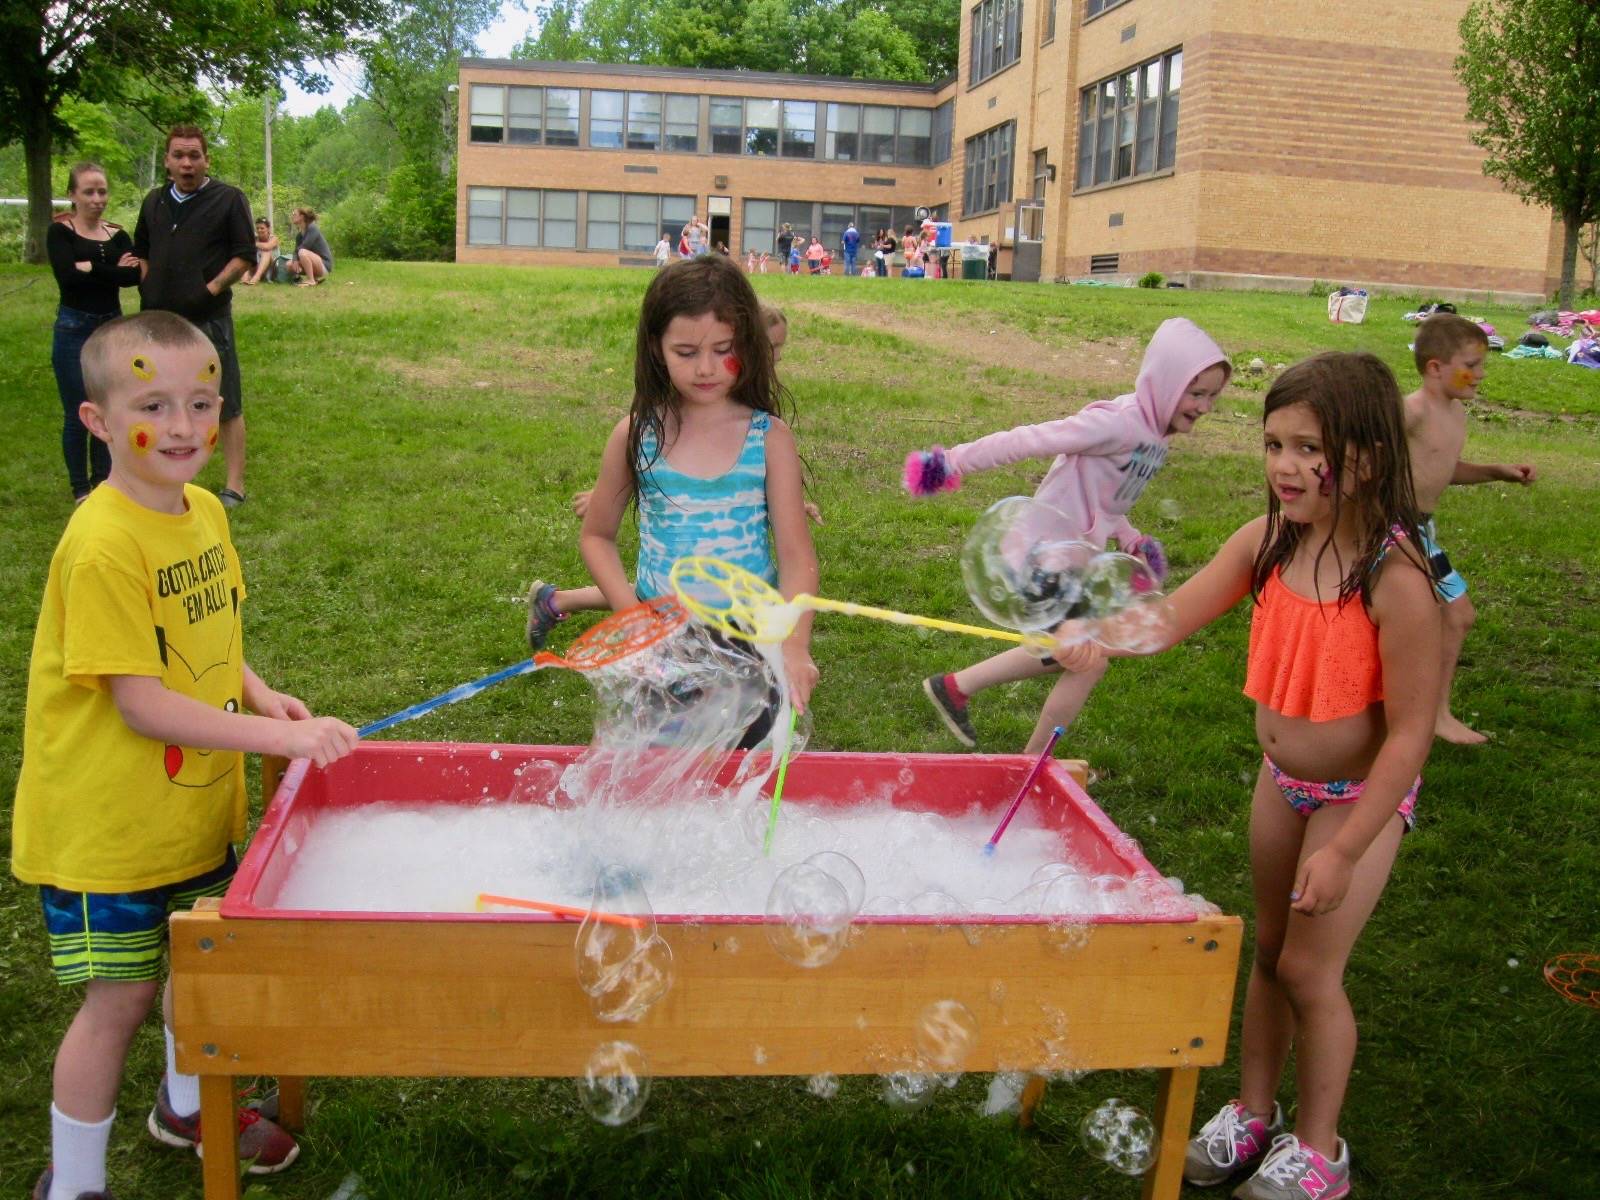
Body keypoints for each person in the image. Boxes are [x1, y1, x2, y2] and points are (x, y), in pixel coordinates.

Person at [1055, 352, 1439, 1200]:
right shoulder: (1267, 542)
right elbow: (1171, 615)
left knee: (1310, 972)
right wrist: (1097, 634)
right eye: (1273, 445)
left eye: (1309, 448)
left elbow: (1411, 736)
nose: (1285, 466)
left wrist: (1345, 853)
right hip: (1283, 781)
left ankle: (1319, 1149)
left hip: (1359, 797)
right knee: (1268, 953)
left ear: (1368, 456)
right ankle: (1253, 1115)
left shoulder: (1396, 578)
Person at [12, 312, 360, 1200]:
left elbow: (208, 634)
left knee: (198, 970)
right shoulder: (102, 544)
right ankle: (75, 1182)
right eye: (153, 404)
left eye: (200, 403)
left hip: (196, 810)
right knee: (119, 1003)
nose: (180, 427)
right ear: (97, 423)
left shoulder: (203, 510)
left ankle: (181, 1107)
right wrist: (284, 739)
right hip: (110, 832)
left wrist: (257, 689)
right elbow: (141, 702)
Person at [913, 318, 1230, 753]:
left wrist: (1132, 539)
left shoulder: (1155, 438)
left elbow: (1107, 502)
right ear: (1167, 381)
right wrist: (952, 462)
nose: (1206, 406)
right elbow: (1033, 439)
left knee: (1072, 651)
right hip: (1043, 556)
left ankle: (957, 688)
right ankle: (1033, 762)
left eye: (1213, 396)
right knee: (1087, 661)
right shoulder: (1117, 424)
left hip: (1073, 560)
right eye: (1197, 393)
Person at [532, 303, 807, 641]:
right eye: (686, 352)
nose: (705, 368)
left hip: (752, 636)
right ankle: (557, 601)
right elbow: (597, 535)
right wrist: (632, 618)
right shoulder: (636, 435)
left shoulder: (768, 436)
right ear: (657, 349)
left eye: (722, 350)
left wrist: (796, 645)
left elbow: (797, 556)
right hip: (663, 637)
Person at [1403, 313, 1536, 745]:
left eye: (1482, 365)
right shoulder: (1412, 411)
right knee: (1456, 615)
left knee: (1444, 619)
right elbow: (1364, 450)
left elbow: (1441, 468)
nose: (1479, 375)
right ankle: (1432, 716)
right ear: (1435, 367)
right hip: (1396, 529)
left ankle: (1425, 713)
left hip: (1422, 531)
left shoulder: (1455, 414)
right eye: (1471, 365)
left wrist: (1496, 472)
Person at [133, 125, 255, 509]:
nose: (187, 164)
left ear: (206, 160)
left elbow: (244, 256)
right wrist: (148, 286)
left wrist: (209, 291)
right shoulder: (154, 202)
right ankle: (165, 476)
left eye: (194, 156)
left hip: (208, 320)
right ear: (167, 161)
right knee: (159, 399)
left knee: (223, 400)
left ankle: (234, 485)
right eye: (179, 156)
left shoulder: (228, 199)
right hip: (158, 320)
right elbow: (142, 251)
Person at [46, 162, 140, 503]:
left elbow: (133, 278)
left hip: (112, 328)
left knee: (108, 407)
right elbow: (67, 278)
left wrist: (92, 267)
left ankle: (103, 482)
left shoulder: (117, 234)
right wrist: (112, 269)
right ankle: (80, 489)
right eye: (88, 192)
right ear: (73, 195)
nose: (97, 198)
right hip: (74, 328)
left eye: (102, 191)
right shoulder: (60, 233)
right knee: (77, 411)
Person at [285, 207, 332, 287]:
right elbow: (296, 251)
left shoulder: (312, 228)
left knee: (302, 252)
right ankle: (303, 279)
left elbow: (305, 246)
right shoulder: (299, 236)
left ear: (302, 217)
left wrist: (296, 257)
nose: (292, 216)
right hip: (314, 262)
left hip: (324, 265)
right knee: (289, 265)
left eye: (294, 214)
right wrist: (295, 260)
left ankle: (311, 280)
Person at [240, 218, 279, 286]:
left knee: (266, 252)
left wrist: (253, 244)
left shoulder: (274, 238)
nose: (259, 230)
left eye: (262, 228)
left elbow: (267, 246)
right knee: (247, 254)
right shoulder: (254, 239)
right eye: (257, 228)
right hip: (257, 267)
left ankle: (256, 278)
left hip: (271, 270)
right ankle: (245, 277)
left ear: (268, 229)